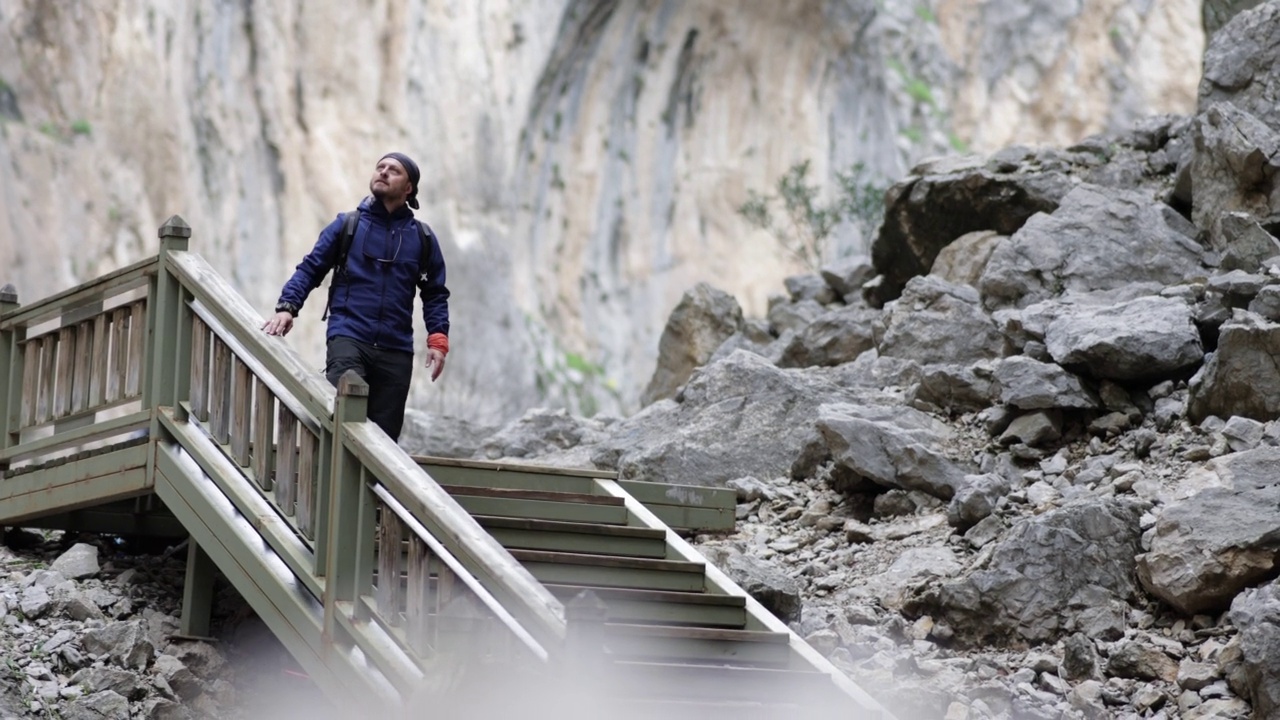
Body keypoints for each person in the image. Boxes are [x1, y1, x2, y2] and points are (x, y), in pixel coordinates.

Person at [262, 152, 450, 441]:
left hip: (396, 350)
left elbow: (435, 293)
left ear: (409, 188)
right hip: (349, 337)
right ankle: (326, 485)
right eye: (380, 167)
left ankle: (368, 487)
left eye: (394, 170)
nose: (384, 172)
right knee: (341, 420)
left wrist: (438, 338)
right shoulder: (347, 225)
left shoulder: (422, 238)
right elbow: (311, 268)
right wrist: (288, 307)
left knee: (384, 441)